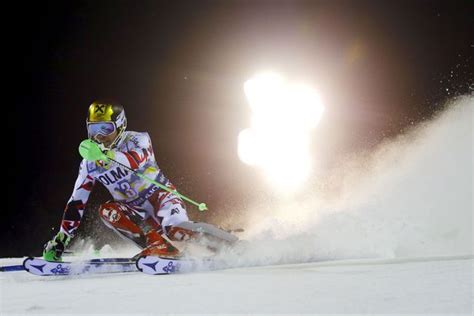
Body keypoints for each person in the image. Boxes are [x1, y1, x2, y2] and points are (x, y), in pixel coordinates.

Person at [43, 100, 216, 261]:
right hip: (134, 212)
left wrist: (108, 156)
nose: (99, 137)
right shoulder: (89, 164)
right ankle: (157, 245)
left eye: (106, 129)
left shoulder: (137, 139)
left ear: (120, 126)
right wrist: (62, 238)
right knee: (107, 211)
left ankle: (227, 242)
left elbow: (135, 160)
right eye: (94, 129)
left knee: (177, 231)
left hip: (161, 199)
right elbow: (77, 201)